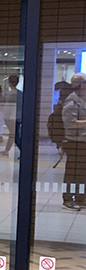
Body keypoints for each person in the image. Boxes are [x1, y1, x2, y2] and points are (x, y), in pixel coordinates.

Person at [61, 72, 86, 211]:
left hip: (83, 141)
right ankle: (68, 199)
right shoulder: (72, 101)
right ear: (80, 85)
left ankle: (81, 197)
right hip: (75, 142)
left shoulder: (82, 99)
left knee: (82, 173)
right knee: (72, 172)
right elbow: (70, 123)